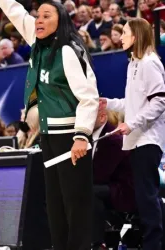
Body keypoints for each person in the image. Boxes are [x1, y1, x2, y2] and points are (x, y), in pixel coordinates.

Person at [0, 0, 99, 250]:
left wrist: (82, 136)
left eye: (46, 16)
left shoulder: (68, 50)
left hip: (71, 137)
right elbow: (15, 11)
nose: (38, 20)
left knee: (76, 205)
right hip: (49, 135)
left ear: (59, 20)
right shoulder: (38, 39)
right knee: (54, 205)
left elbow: (89, 96)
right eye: (37, 15)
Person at [100, 18, 165, 250]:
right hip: (137, 141)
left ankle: (154, 245)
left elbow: (160, 101)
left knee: (147, 197)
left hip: (148, 140)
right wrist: (108, 103)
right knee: (143, 197)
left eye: (125, 32)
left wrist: (132, 124)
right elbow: (133, 103)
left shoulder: (150, 63)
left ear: (136, 36)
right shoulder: (134, 64)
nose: (121, 36)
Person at [92, 109, 135, 250]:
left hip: (123, 190)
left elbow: (100, 174)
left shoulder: (112, 139)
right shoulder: (95, 136)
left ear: (102, 117)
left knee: (90, 192)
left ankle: (97, 243)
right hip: (109, 184)